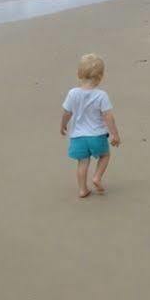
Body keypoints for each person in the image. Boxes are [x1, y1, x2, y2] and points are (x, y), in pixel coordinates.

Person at [60, 53, 121, 198]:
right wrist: (115, 134)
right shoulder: (101, 95)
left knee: (83, 162)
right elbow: (108, 116)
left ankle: (82, 189)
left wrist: (62, 125)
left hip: (78, 137)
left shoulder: (73, 93)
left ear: (79, 74)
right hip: (97, 135)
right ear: (100, 76)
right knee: (105, 156)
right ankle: (97, 177)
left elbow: (66, 112)